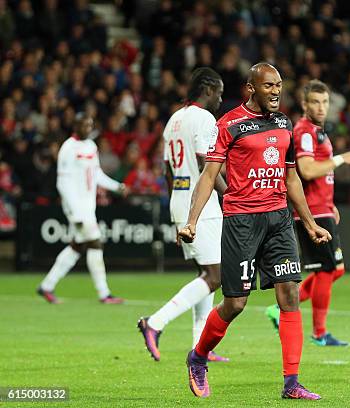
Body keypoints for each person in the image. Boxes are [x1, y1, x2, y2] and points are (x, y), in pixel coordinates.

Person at [178, 63, 331, 400]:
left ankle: (291, 383)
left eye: (279, 85)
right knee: (235, 303)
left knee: (289, 294)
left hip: (278, 219)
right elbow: (208, 176)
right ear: (251, 88)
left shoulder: (284, 123)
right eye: (268, 86)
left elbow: (291, 177)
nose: (276, 91)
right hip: (242, 222)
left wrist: (309, 223)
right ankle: (198, 357)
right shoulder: (229, 124)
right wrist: (191, 220)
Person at [137, 67, 229, 362]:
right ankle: (155, 322)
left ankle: (202, 346)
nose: (220, 99)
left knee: (206, 272)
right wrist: (229, 195)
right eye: (219, 93)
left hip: (181, 201)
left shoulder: (174, 119)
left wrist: (177, 210)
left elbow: (166, 169)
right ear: (208, 89)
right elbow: (207, 162)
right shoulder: (204, 118)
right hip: (202, 204)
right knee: (215, 275)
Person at [265, 79, 350, 346]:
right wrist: (341, 158)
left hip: (322, 207)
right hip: (313, 212)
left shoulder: (318, 131)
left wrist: (330, 203)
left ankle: (277, 310)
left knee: (333, 270)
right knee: (328, 270)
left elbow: (318, 174)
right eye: (315, 102)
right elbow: (305, 170)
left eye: (325, 101)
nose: (321, 107)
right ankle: (319, 332)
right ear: (305, 104)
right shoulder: (304, 131)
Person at [37, 113, 127, 304]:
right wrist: (74, 211)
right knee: (95, 243)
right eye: (84, 125)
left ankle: (46, 286)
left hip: (88, 205)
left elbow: (96, 175)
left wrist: (116, 186)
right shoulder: (68, 148)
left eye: (90, 125)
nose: (88, 128)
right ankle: (104, 293)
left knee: (77, 247)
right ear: (75, 126)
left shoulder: (91, 146)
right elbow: (62, 183)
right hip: (77, 208)